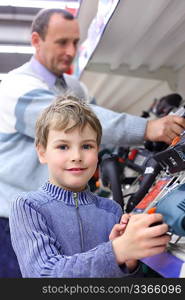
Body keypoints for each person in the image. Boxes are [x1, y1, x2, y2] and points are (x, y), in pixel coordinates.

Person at [0, 8, 184, 278]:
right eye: (62, 42)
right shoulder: (15, 87)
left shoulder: (75, 87)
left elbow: (96, 128)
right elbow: (83, 123)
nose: (71, 51)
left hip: (74, 206)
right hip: (14, 220)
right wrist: (147, 127)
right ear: (37, 41)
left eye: (76, 42)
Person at [9, 95, 171, 278]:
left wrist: (129, 261)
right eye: (63, 146)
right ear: (42, 152)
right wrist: (117, 250)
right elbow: (43, 275)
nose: (76, 156)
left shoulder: (112, 210)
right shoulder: (28, 206)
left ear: (98, 150)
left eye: (86, 146)